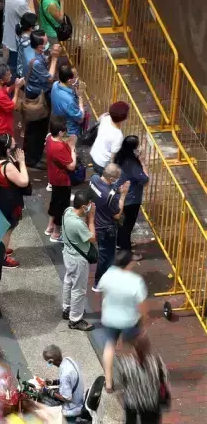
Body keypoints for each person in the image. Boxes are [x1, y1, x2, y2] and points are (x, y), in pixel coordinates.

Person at [97, 249, 148, 393]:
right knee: (131, 346)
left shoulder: (108, 274)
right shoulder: (135, 281)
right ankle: (133, 374)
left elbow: (101, 291)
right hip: (129, 320)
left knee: (110, 346)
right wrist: (143, 323)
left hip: (109, 318)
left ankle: (108, 383)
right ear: (128, 263)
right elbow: (143, 307)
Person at [0, 133, 30, 267]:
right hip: (9, 202)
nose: (15, 147)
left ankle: (1, 249)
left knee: (2, 227)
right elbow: (23, 181)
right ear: (6, 149)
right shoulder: (7, 166)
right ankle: (2, 256)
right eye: (13, 145)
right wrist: (22, 162)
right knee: (8, 229)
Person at [22, 32, 60, 167]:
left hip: (31, 91)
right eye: (45, 42)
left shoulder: (27, 49)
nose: (47, 43)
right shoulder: (37, 62)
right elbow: (49, 78)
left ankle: (28, 152)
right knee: (38, 129)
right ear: (39, 46)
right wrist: (54, 58)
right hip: (38, 97)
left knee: (31, 127)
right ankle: (33, 159)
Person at [112, 335, 168, 423]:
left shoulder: (126, 365)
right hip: (151, 404)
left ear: (134, 348)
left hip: (132, 403)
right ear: (148, 348)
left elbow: (118, 386)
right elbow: (164, 380)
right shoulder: (157, 362)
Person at [91, 163, 130, 288]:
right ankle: (99, 282)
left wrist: (117, 190)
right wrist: (123, 195)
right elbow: (117, 215)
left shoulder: (94, 179)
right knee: (107, 256)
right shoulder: (110, 196)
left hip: (96, 220)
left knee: (103, 253)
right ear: (112, 179)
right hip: (107, 228)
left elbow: (105, 191)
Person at [62, 190, 95, 331]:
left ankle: (67, 308)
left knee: (69, 281)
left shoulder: (67, 211)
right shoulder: (77, 224)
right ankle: (75, 319)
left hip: (68, 254)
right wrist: (91, 218)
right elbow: (92, 237)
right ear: (83, 207)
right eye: (89, 205)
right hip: (78, 259)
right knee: (79, 289)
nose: (90, 206)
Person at [113, 136, 148, 255]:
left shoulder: (120, 156)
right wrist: (142, 162)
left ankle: (119, 243)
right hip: (131, 199)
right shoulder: (132, 164)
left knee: (121, 224)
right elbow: (145, 179)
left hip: (120, 194)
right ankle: (126, 253)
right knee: (127, 226)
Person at [45, 116, 78, 243]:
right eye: (64, 131)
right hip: (62, 180)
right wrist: (72, 148)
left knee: (54, 202)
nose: (65, 133)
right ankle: (56, 233)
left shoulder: (49, 139)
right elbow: (71, 165)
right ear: (60, 132)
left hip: (53, 177)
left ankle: (50, 227)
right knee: (61, 207)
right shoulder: (58, 147)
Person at [2, 0, 37, 74]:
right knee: (15, 63)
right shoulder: (19, 1)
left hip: (11, 28)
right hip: (16, 37)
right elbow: (32, 19)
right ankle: (11, 82)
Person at [42, 345, 86, 423]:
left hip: (73, 406)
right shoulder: (68, 360)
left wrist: (49, 391)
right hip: (78, 394)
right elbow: (69, 381)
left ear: (51, 361)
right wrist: (53, 382)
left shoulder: (65, 375)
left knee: (45, 409)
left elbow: (67, 398)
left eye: (48, 361)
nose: (48, 363)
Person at [51, 63, 87, 142]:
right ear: (70, 80)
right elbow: (80, 118)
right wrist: (80, 97)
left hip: (57, 121)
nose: (77, 78)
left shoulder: (55, 85)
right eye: (76, 77)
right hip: (70, 131)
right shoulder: (69, 100)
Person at [91, 101, 129, 173]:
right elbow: (112, 156)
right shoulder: (118, 135)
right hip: (102, 163)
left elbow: (99, 120)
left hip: (94, 153)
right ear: (124, 118)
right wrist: (111, 170)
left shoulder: (106, 118)